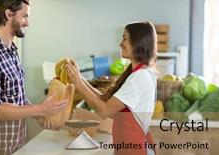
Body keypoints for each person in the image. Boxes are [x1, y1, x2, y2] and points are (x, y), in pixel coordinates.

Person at [0, 0, 67, 154]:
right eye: (25, 16)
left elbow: (17, 97)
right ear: (9, 14)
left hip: (16, 144)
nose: (27, 23)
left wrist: (41, 117)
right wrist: (40, 109)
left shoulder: (11, 50)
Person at [66, 21, 157, 155]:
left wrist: (78, 83)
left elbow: (104, 111)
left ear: (138, 41)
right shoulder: (137, 73)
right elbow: (104, 100)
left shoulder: (139, 78)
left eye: (125, 38)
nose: (121, 43)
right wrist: (79, 78)